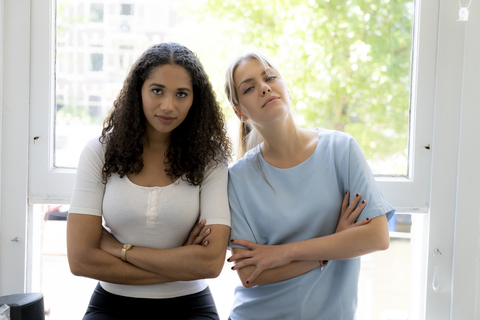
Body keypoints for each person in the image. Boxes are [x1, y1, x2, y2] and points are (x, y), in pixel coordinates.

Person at [66, 42, 232, 320]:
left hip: (190, 305)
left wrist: (120, 250)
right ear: (138, 91)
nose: (168, 106)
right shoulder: (99, 151)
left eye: (181, 94)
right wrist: (180, 264)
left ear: (195, 100)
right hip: (112, 304)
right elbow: (81, 259)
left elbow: (211, 263)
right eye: (157, 91)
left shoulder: (211, 158)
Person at [224, 52, 395, 320]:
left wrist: (284, 253)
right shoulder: (237, 178)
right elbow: (250, 275)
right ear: (239, 112)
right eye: (249, 88)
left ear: (285, 86)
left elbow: (376, 237)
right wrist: (332, 246)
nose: (265, 87)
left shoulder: (341, 149)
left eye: (270, 77)